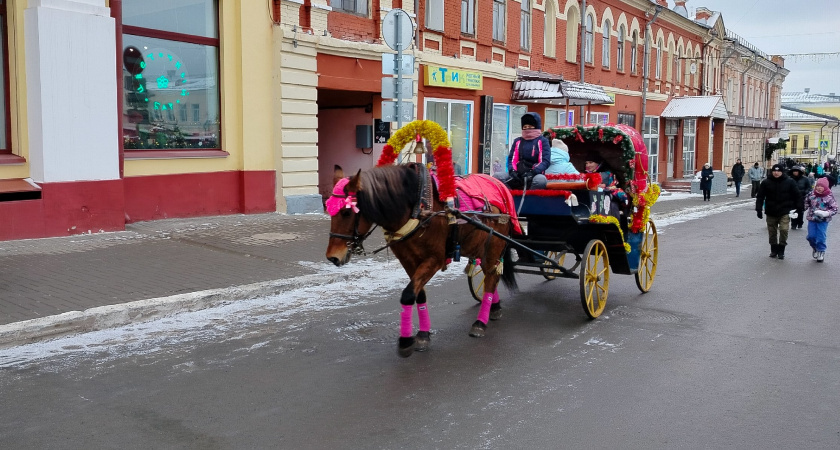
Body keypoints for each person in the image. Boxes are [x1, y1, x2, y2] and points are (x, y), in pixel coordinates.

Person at [755, 163, 802, 260]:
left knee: (784, 230)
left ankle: (781, 249)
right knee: (772, 232)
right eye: (774, 171)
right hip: (771, 211)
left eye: (778, 171)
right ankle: (773, 249)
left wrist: (799, 208)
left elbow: (797, 195)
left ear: (782, 172)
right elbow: (760, 196)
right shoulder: (766, 182)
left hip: (785, 211)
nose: (776, 173)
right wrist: (759, 209)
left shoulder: (790, 182)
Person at [500, 112, 551, 189]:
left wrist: (533, 172)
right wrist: (512, 171)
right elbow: (512, 159)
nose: (527, 129)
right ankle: (510, 197)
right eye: (525, 126)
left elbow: (545, 161)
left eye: (530, 126)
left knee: (540, 180)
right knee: (498, 177)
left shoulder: (543, 141)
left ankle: (530, 199)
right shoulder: (518, 141)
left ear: (536, 126)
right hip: (518, 173)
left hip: (535, 174)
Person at [804, 177, 838, 262]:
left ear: (825, 187)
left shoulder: (829, 197)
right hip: (812, 218)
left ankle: (821, 251)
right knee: (811, 236)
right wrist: (798, 210)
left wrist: (826, 213)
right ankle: (815, 248)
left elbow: (834, 209)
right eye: (818, 186)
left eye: (821, 186)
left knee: (821, 236)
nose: (819, 187)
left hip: (823, 220)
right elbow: (805, 204)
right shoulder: (811, 194)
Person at [789, 165, 811, 230]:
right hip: (792, 198)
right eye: (794, 171)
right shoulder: (790, 179)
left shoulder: (805, 179)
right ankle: (793, 224)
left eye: (796, 171)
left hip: (802, 198)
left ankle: (800, 223)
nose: (795, 172)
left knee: (800, 211)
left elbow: (809, 188)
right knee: (792, 211)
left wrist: (804, 192)